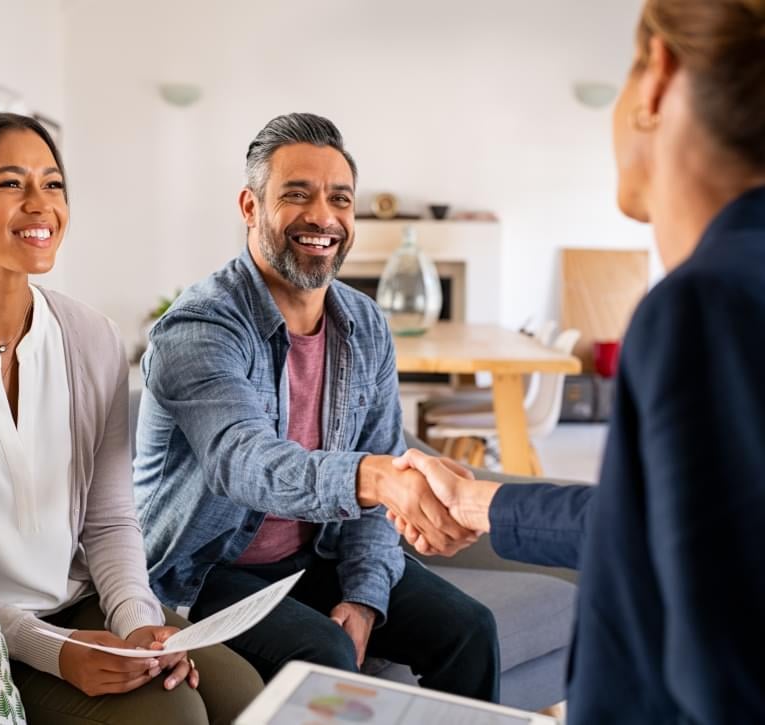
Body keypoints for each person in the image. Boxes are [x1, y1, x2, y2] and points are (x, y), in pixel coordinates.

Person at [390, 0, 765, 722]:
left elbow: (726, 673)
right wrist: (479, 501)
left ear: (655, 76)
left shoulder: (707, 306)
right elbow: (662, 529)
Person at [134, 112, 500, 702]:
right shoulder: (200, 327)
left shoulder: (364, 323)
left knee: (470, 631)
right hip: (204, 573)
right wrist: (374, 476)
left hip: (311, 554)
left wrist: (363, 597)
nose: (323, 217)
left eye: (340, 199)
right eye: (296, 195)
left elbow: (377, 484)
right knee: (323, 654)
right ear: (250, 207)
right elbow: (243, 461)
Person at [0, 110, 263, 724]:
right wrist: (54, 652)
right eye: (11, 183)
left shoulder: (90, 337)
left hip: (77, 602)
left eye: (53, 184)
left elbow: (110, 520)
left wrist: (140, 624)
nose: (41, 205)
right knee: (170, 718)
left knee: (245, 695)